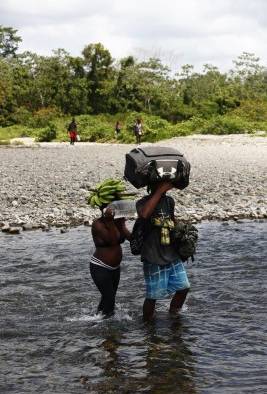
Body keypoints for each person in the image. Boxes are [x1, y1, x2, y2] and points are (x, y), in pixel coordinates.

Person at [136, 181, 190, 322]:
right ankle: (148, 325)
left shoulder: (169, 201)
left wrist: (182, 236)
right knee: (153, 295)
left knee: (184, 287)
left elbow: (172, 220)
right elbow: (145, 214)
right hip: (153, 254)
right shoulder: (143, 202)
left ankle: (174, 317)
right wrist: (159, 192)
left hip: (171, 252)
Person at [90, 206, 131, 317]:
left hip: (115, 268)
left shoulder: (116, 222)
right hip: (100, 266)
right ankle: (108, 329)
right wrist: (110, 221)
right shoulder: (98, 224)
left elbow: (129, 238)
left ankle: (98, 319)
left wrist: (122, 224)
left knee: (109, 296)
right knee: (110, 298)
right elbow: (112, 240)